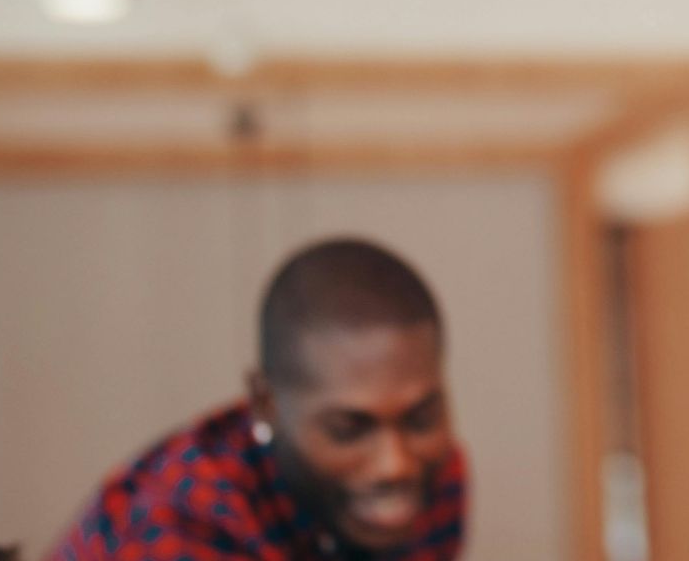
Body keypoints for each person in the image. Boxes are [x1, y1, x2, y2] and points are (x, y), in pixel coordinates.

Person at [51, 238, 464, 560]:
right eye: (348, 431)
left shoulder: (439, 478)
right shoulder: (181, 527)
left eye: (420, 419)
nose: (395, 464)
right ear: (266, 403)